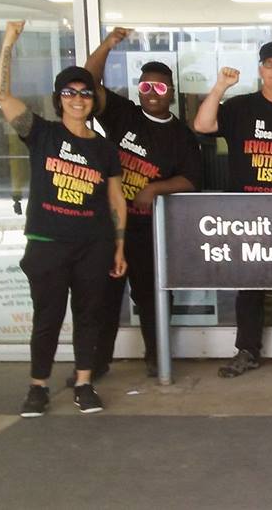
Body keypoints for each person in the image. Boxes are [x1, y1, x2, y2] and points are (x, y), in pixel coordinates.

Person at [0, 21, 127, 417]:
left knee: (90, 315)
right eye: (70, 92)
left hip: (95, 244)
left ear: (93, 101)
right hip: (48, 244)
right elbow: (2, 94)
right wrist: (8, 42)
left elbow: (115, 197)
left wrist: (119, 246)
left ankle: (84, 384)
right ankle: (38, 386)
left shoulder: (104, 148)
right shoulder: (41, 134)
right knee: (47, 316)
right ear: (59, 99)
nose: (78, 99)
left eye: (85, 93)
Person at [76, 27, 202, 381]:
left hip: (149, 231)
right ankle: (95, 365)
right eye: (145, 86)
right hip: (109, 229)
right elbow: (88, 82)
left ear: (171, 93)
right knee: (102, 299)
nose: (151, 93)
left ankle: (155, 356)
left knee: (152, 299)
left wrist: (155, 188)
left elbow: (191, 179)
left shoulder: (180, 135)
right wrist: (109, 44)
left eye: (159, 88)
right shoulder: (122, 114)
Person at [193, 41, 272, 378]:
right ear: (260, 69)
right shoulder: (240, 107)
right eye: (269, 63)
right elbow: (203, 126)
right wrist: (220, 86)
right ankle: (247, 349)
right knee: (249, 284)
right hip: (248, 213)